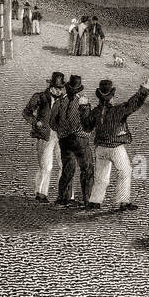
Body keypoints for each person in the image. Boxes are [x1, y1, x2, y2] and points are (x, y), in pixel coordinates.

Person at [88, 78, 149, 212]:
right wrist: (143, 91)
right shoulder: (118, 110)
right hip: (115, 147)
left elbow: (87, 126)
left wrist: (83, 108)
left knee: (101, 176)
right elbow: (132, 104)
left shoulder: (95, 112)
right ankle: (123, 201)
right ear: (111, 97)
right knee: (125, 171)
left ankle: (95, 201)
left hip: (100, 148)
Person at [22, 71, 67, 202]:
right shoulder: (40, 97)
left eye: (61, 88)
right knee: (46, 166)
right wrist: (36, 122)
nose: (59, 91)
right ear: (51, 86)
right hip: (45, 135)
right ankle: (41, 193)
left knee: (63, 164)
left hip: (60, 135)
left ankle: (63, 195)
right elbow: (26, 113)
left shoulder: (64, 100)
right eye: (57, 88)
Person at [54, 75, 97, 209]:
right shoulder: (82, 102)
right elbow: (88, 123)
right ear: (78, 90)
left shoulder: (60, 102)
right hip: (80, 140)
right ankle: (87, 199)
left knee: (68, 168)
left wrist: (62, 132)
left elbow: (52, 122)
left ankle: (63, 198)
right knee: (87, 169)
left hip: (64, 140)